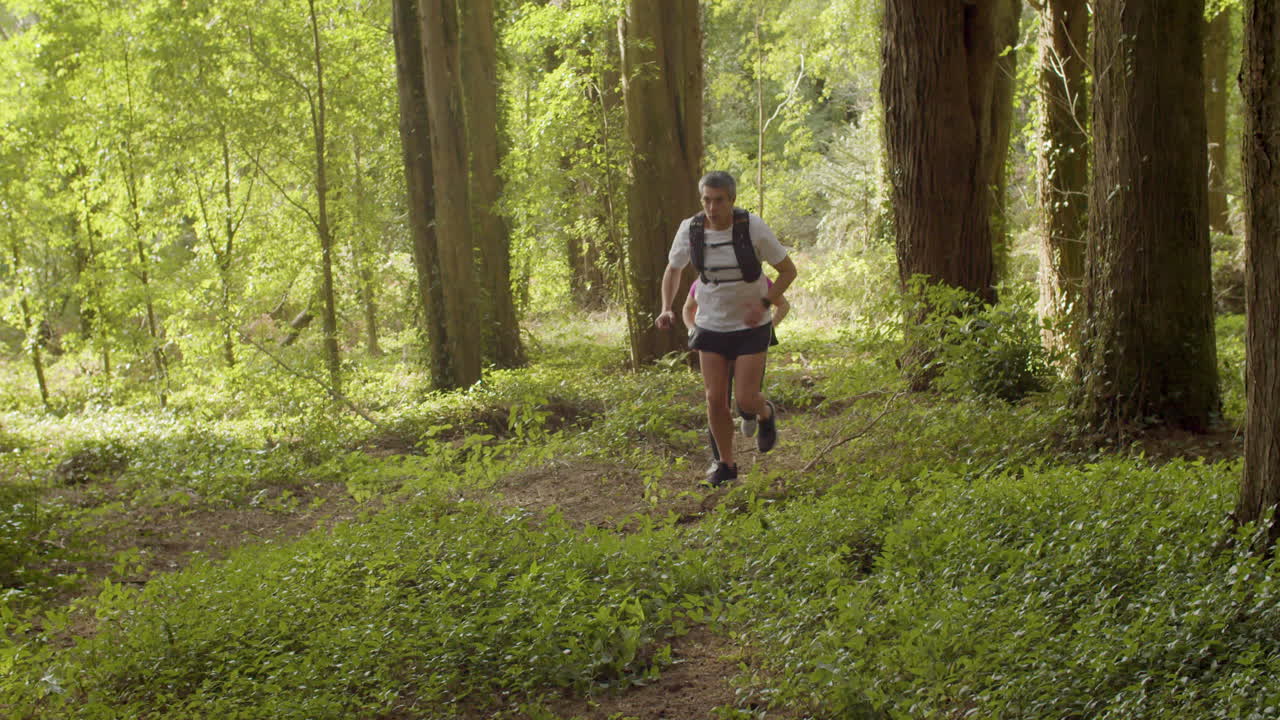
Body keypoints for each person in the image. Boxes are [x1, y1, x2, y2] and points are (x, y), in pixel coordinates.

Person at [655, 171, 797, 487]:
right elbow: (673, 270)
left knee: (745, 399)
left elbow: (788, 271)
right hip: (711, 324)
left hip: (751, 325)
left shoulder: (752, 227)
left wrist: (764, 303)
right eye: (706, 199)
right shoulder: (689, 230)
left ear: (731, 200)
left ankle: (765, 413)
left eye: (719, 200)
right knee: (714, 398)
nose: (712, 207)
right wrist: (666, 307)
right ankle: (726, 465)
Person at [683, 277, 789, 468]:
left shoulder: (759, 281)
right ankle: (720, 462)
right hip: (715, 343)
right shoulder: (703, 281)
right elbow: (687, 309)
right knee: (716, 402)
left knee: (746, 400)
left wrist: (768, 327)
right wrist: (693, 330)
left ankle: (758, 414)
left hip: (751, 343)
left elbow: (783, 305)